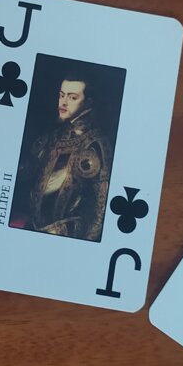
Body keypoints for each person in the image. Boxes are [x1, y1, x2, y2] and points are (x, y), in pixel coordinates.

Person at [16, 70, 112, 241]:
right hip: (33, 229)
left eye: (72, 97)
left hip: (68, 236)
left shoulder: (95, 144)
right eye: (62, 95)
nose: (63, 102)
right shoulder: (53, 136)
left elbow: (101, 209)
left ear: (88, 102)